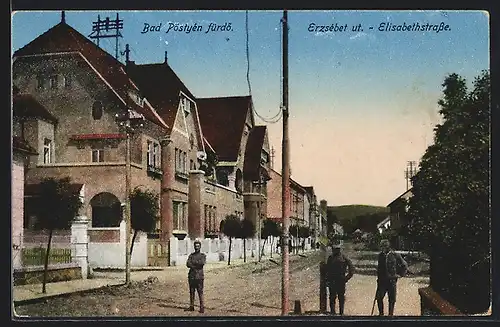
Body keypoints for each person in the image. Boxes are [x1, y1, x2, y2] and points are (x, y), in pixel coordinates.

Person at [375, 239, 408, 316]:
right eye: (382, 246)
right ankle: (381, 314)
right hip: (382, 281)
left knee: (392, 299)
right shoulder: (380, 255)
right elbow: (379, 268)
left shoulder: (395, 255)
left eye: (384, 246)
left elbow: (404, 265)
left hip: (391, 281)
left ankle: (390, 315)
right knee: (379, 298)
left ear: (388, 246)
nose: (382, 248)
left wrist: (400, 275)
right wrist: (378, 278)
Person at [326, 243, 355, 315]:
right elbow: (328, 270)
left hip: (340, 280)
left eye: (336, 249)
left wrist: (346, 278)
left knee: (340, 298)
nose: (334, 251)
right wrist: (327, 280)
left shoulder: (344, 258)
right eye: (334, 249)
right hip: (333, 280)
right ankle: (333, 313)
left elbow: (352, 269)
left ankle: (341, 313)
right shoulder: (330, 258)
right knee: (333, 298)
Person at [186, 239, 206, 313]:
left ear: (200, 247)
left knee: (200, 292)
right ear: (194, 247)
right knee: (191, 292)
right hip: (191, 276)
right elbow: (188, 264)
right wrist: (196, 265)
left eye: (198, 246)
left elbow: (202, 263)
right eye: (195, 246)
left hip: (199, 277)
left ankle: (202, 307)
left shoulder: (202, 256)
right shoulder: (191, 255)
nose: (196, 247)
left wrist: (193, 264)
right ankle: (191, 306)